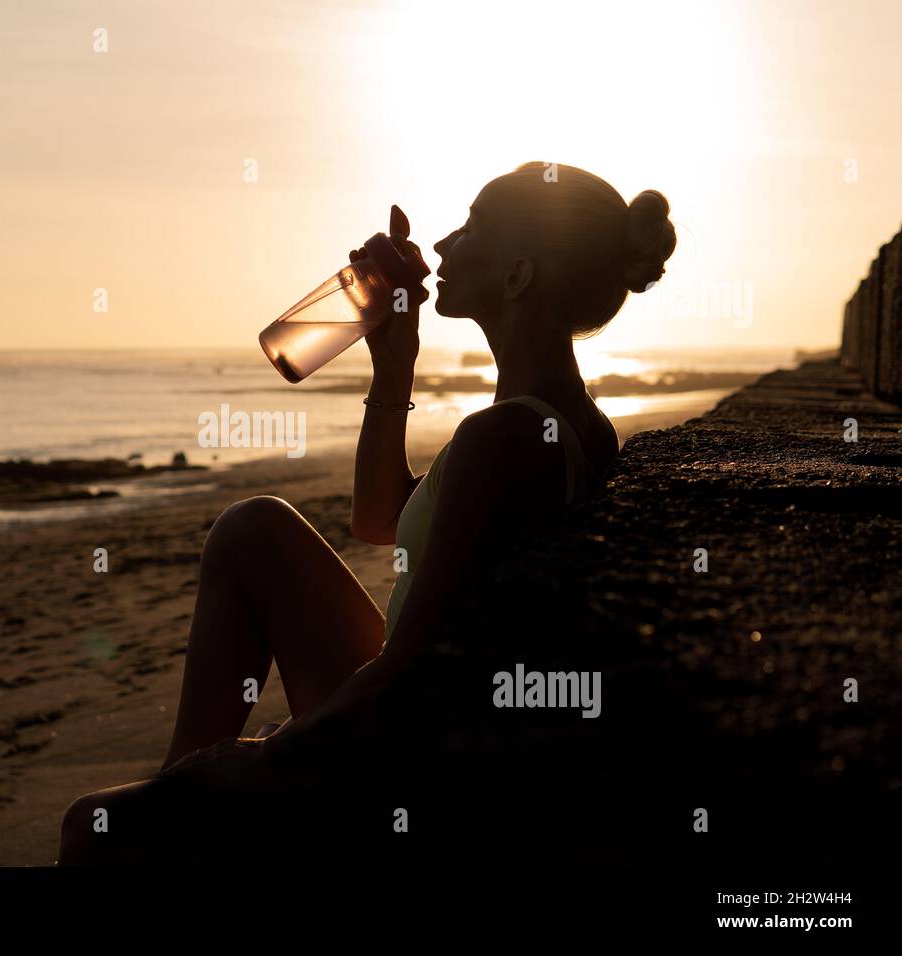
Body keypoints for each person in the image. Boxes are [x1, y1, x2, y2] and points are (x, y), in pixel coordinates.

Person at [59, 162, 677, 864]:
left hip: (409, 756)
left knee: (89, 827)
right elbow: (382, 520)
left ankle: (184, 805)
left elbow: (407, 675)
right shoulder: (565, 422)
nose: (442, 244)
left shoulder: (505, 438)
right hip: (439, 719)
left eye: (473, 226)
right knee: (254, 527)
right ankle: (182, 806)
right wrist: (394, 363)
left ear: (516, 277)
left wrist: (258, 755)